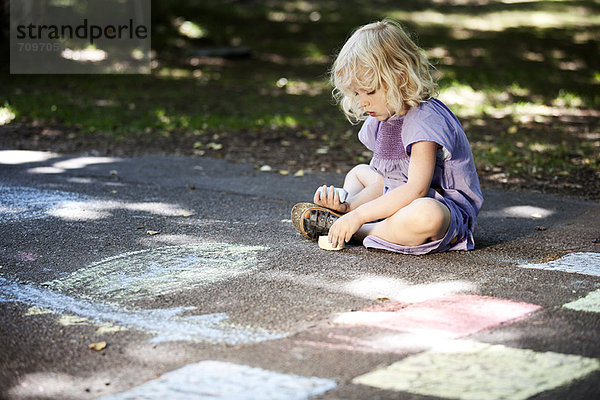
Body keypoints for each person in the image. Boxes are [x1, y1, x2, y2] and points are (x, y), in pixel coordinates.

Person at [291, 19, 483, 255]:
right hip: (399, 198)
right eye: (356, 92)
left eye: (370, 91)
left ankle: (359, 230)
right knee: (359, 173)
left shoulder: (424, 120)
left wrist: (360, 216)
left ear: (400, 77)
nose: (362, 101)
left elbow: (415, 190)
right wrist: (351, 204)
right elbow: (386, 181)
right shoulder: (383, 117)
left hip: (443, 211)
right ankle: (344, 213)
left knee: (426, 215)